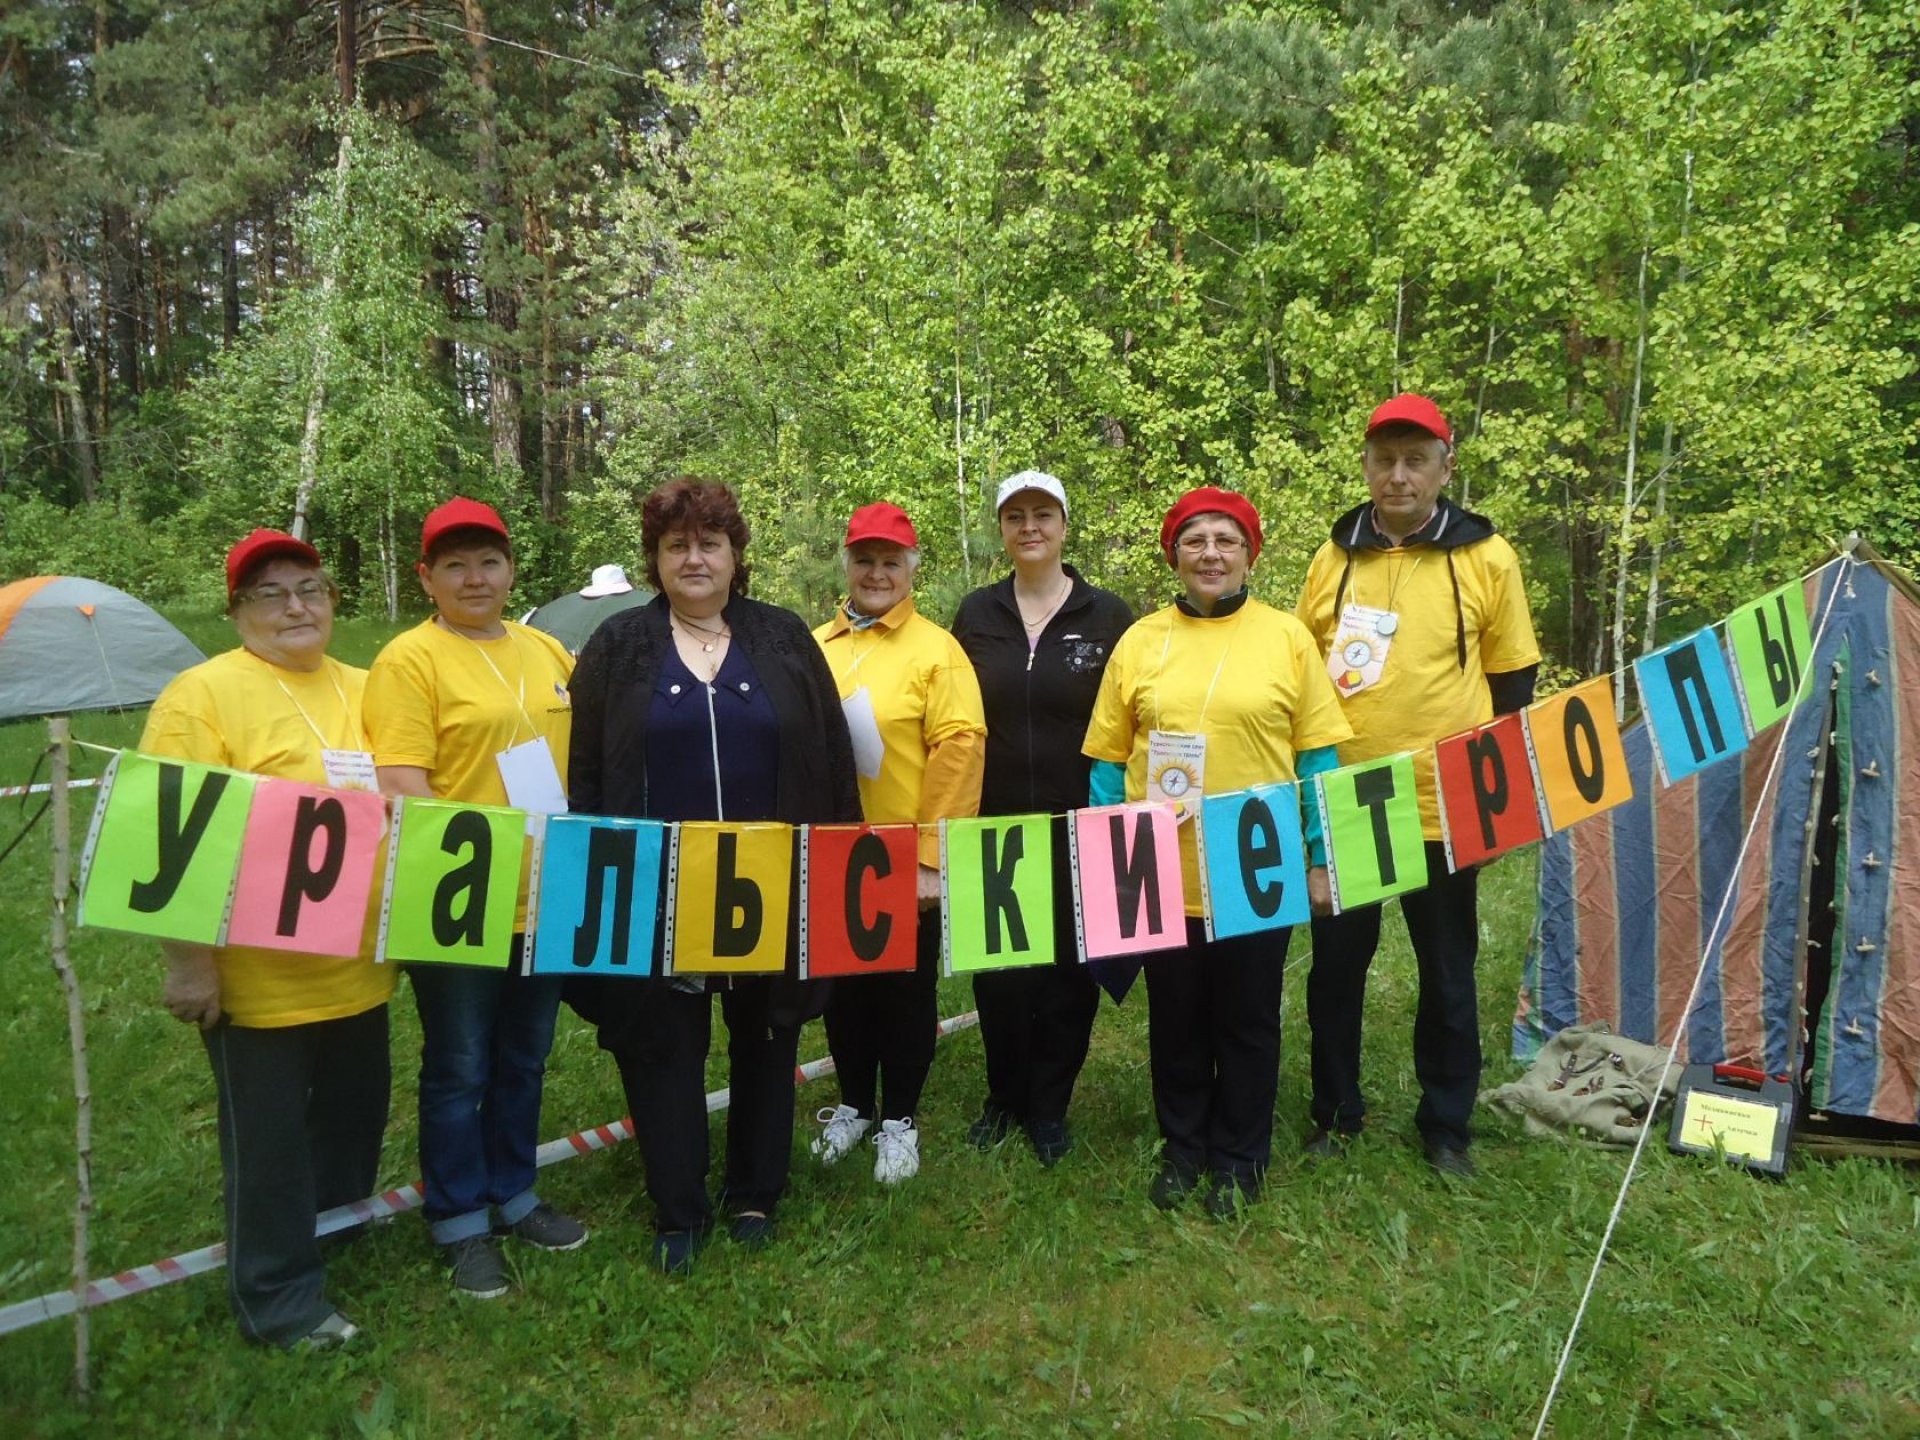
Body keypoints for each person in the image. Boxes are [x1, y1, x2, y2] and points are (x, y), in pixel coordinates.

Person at [566, 480, 861, 1274]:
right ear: (655, 559)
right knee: (664, 1042)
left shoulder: (785, 639)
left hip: (773, 884)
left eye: (710, 543)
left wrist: (834, 868)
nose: (693, 559)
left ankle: (758, 1189)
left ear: (736, 556)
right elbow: (588, 774)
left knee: (768, 1033)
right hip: (659, 888)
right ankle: (678, 1205)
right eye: (675, 546)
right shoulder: (618, 646)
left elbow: (832, 762)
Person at [142, 529, 392, 1349]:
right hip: (261, 981)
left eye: (310, 587)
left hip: (364, 968)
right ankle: (277, 1297)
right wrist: (190, 966)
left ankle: (333, 1239)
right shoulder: (200, 697)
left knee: (355, 1120)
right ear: (237, 611)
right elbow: (172, 841)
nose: (295, 605)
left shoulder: (368, 685)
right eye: (270, 593)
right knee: (271, 1146)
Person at [1082, 488, 1351, 1217]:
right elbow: (1107, 763)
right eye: (1194, 539)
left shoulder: (1288, 637)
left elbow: (1319, 756)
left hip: (1256, 868)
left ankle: (1240, 1157)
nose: (1209, 553)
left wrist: (1323, 856)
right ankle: (1183, 1149)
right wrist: (1113, 855)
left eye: (1225, 540)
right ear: (1174, 553)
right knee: (1175, 1018)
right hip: (1161, 867)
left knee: (1249, 1018)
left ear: (1248, 554)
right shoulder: (1140, 640)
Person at [1294, 394, 1541, 1178]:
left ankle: (1446, 1125)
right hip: (1350, 800)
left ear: (1445, 465)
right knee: (1337, 968)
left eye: (1415, 460)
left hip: (1443, 799)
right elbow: (1300, 675)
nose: (1397, 476)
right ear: (1365, 464)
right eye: (1384, 459)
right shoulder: (1335, 558)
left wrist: (1494, 805)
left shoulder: (1487, 557)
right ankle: (1335, 1113)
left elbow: (1514, 684)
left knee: (1446, 971)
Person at [362, 497, 588, 1299]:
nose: (474, 577)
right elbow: (402, 783)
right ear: (426, 576)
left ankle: (515, 1191)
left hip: (551, 889)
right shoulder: (408, 661)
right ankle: (459, 1217)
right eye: (454, 564)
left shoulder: (546, 650)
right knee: (459, 1063)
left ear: (511, 569)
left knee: (525, 1055)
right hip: (459, 895)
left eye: (487, 561)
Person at [951, 470, 1133, 1165]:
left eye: (1043, 515)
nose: (1030, 527)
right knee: (999, 976)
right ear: (1002, 529)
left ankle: (1049, 1107)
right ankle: (1004, 1098)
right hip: (990, 825)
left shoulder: (1107, 615)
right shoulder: (975, 613)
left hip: (1077, 823)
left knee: (1066, 975)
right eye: (1016, 516)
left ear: (1063, 526)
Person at [812, 502, 987, 1183]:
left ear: (911, 568)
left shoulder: (936, 649)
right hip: (831, 856)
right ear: (847, 563)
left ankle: (900, 1120)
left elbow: (960, 749)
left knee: (903, 995)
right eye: (864, 559)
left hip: (902, 857)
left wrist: (929, 860)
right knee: (843, 993)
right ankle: (854, 1104)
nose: (876, 573)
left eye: (891, 561)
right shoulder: (813, 644)